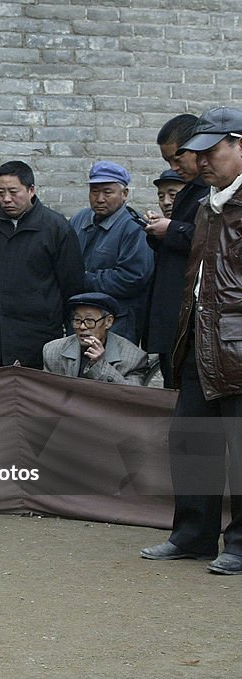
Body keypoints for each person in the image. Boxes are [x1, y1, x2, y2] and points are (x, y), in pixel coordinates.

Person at [141, 106, 242, 576]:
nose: (202, 163)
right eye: (196, 154)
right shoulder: (207, 206)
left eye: (212, 152)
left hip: (238, 344)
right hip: (200, 341)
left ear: (239, 145)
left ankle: (239, 543)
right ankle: (193, 534)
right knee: (192, 440)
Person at [0, 160, 86, 369]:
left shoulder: (56, 227)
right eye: (0, 192)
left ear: (31, 190)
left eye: (13, 192)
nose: (6, 199)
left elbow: (72, 284)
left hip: (40, 335)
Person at [142, 114, 209, 388]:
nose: (174, 167)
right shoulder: (190, 191)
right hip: (172, 317)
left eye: (177, 159)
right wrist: (159, 231)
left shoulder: (214, 193)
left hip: (193, 322)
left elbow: (211, 241)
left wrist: (171, 230)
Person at [68, 161, 153, 343]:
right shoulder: (79, 219)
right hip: (80, 319)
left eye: (108, 192)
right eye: (94, 191)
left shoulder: (134, 226)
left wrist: (84, 278)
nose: (99, 199)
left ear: (124, 194)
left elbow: (133, 277)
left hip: (117, 320)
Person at [42, 292, 148, 385]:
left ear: (108, 322)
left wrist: (100, 365)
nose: (82, 327)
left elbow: (131, 398)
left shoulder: (133, 358)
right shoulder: (52, 351)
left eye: (89, 321)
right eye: (77, 320)